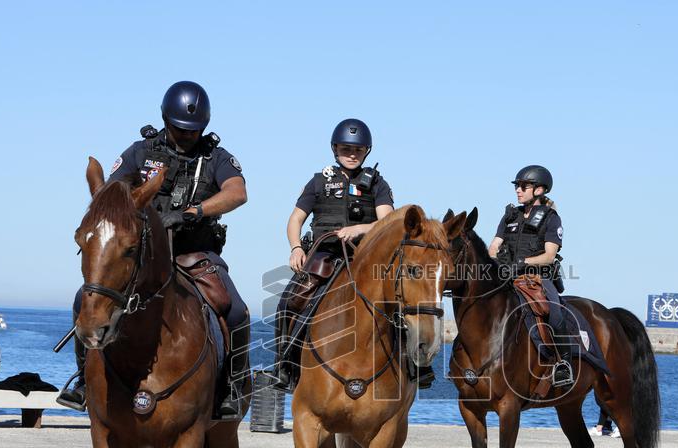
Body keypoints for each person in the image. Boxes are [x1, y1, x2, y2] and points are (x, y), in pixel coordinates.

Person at [58, 81, 251, 420]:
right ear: (165, 119)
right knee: (82, 299)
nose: (186, 135)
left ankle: (232, 385)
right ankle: (82, 382)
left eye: (193, 130)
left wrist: (195, 212)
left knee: (235, 310)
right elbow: (111, 193)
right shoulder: (140, 151)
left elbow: (237, 193)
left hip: (194, 252)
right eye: (179, 128)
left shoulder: (217, 157)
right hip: (143, 255)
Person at [267, 118, 436, 392]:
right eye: (346, 148)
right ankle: (283, 366)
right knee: (288, 302)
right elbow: (295, 219)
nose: (351, 154)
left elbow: (388, 222)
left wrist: (359, 229)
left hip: (365, 259)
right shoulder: (318, 181)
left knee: (404, 302)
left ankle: (417, 365)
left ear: (366, 151)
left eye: (357, 150)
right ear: (335, 149)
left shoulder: (377, 183)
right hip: (324, 256)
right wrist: (296, 247)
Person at [488, 165, 576, 387]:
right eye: (517, 186)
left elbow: (549, 255)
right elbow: (493, 247)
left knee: (556, 312)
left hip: (538, 278)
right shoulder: (510, 216)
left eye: (523, 186)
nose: (518, 190)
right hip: (507, 276)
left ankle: (563, 364)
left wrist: (523, 262)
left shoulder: (551, 218)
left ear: (539, 190)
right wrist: (499, 262)